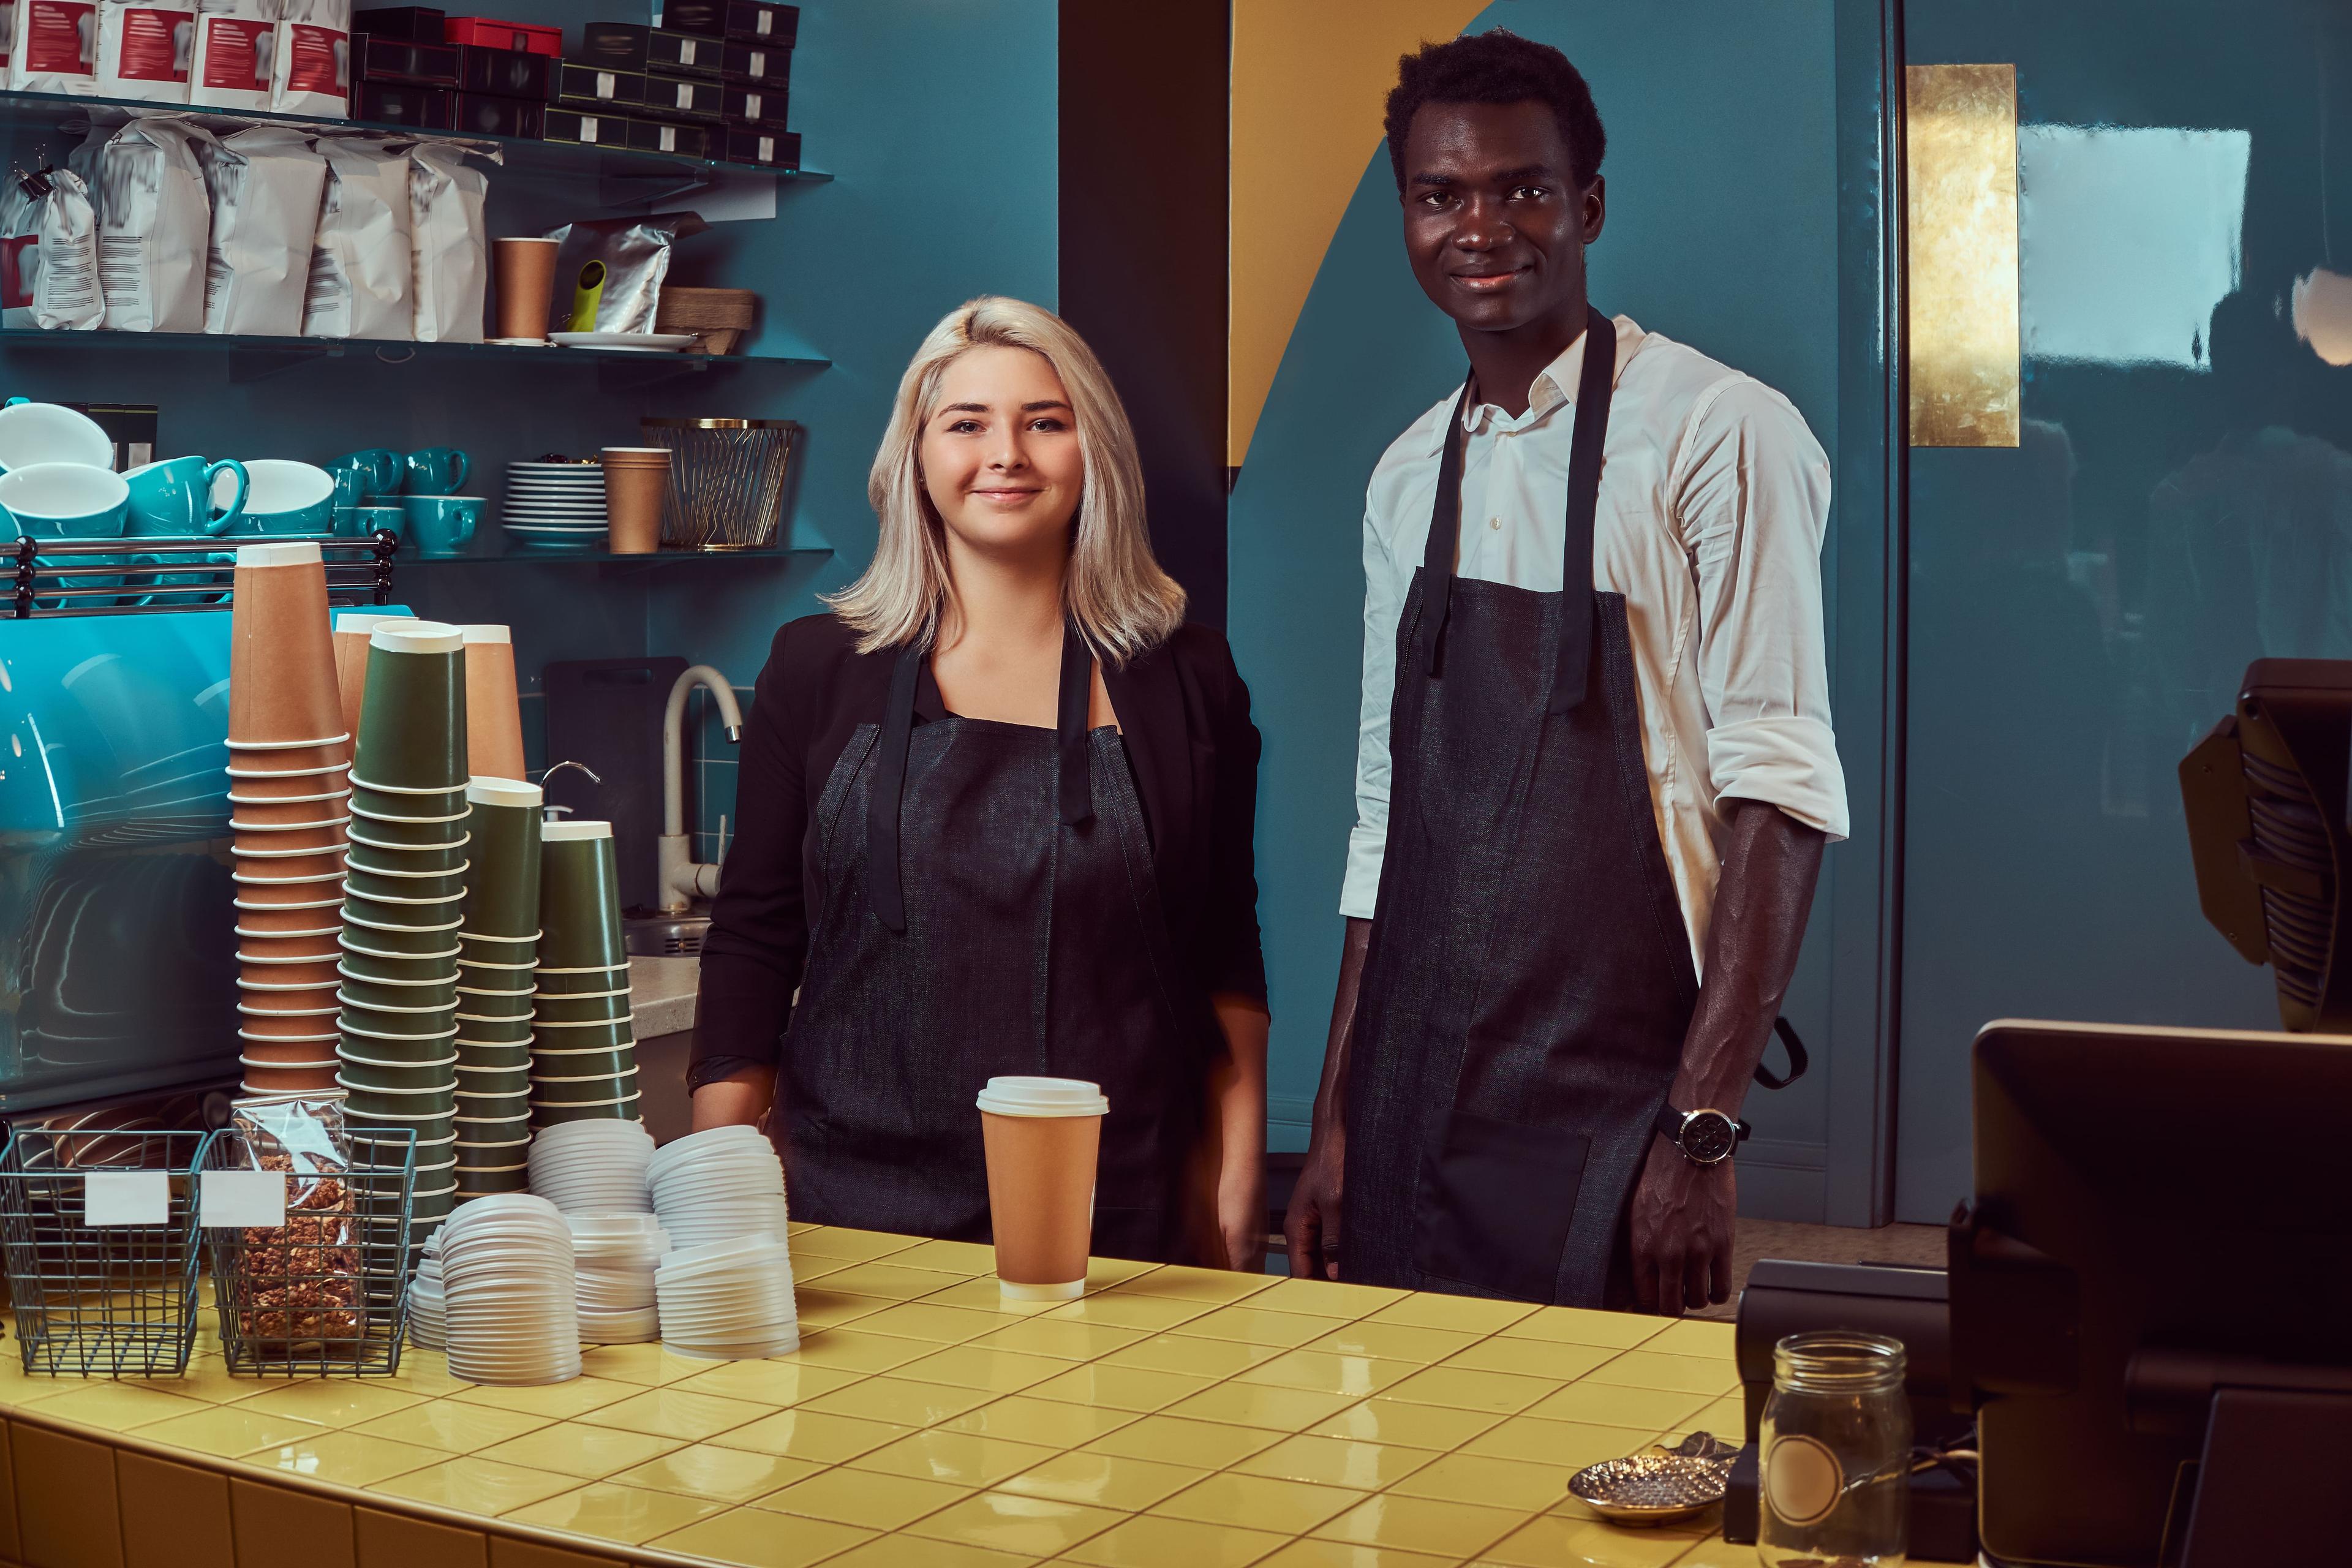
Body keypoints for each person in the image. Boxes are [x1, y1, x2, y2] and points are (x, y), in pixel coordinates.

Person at [1283, 32, 1848, 1314]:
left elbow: (1780, 796)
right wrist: (1336, 1121)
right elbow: (1386, 825)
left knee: (1593, 1474)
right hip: (1412, 1084)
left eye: (1523, 189)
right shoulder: (1406, 475)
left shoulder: (1721, 434)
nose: (1482, 227)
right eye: (1441, 196)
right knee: (1409, 1478)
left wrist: (1700, 1132)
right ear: (1407, 217)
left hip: (1612, 1089)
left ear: (1586, 205)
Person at [689, 296, 1270, 1271]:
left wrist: (1240, 1157)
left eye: (1045, 422)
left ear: (1095, 455)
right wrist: (718, 1169)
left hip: (1121, 1208)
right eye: (968, 424)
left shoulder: (1187, 677)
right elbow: (755, 937)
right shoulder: (816, 668)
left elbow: (1223, 943)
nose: (1007, 454)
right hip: (854, 1215)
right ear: (915, 456)